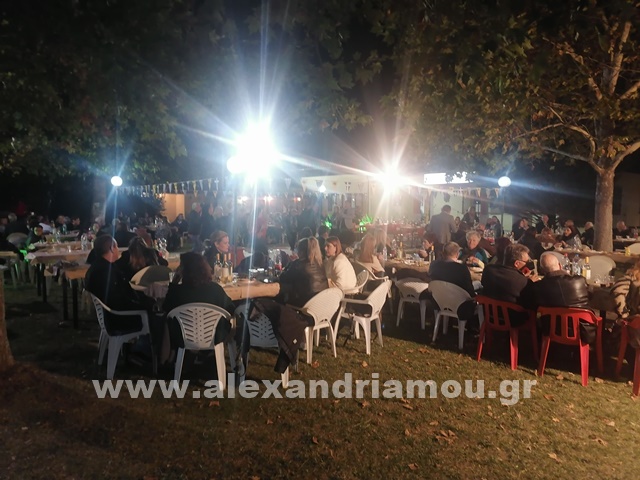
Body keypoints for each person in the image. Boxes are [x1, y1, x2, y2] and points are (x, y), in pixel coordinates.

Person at [163, 252, 235, 347]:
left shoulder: (176, 292)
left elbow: (166, 309)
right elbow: (231, 309)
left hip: (184, 338)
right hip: (214, 337)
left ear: (183, 271)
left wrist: (174, 282)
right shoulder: (215, 289)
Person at [522, 251, 595, 343]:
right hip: (582, 332)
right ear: (560, 265)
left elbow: (532, 304)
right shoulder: (579, 281)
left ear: (542, 270)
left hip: (551, 330)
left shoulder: (539, 286)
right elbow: (590, 295)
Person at [84, 235, 152, 331]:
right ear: (112, 249)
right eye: (116, 247)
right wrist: (144, 305)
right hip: (119, 319)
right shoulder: (105, 272)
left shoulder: (97, 267)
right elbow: (119, 301)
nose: (118, 250)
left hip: (109, 316)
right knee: (156, 314)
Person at [481, 244, 538, 324]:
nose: (527, 264)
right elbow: (530, 302)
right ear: (517, 263)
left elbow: (507, 279)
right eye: (526, 262)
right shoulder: (523, 282)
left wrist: (521, 276)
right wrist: (529, 282)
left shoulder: (488, 270)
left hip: (489, 316)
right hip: (511, 321)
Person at [278, 237, 328, 307]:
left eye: (297, 249)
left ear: (301, 251)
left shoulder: (298, 265)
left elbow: (283, 278)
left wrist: (289, 265)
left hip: (304, 302)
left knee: (280, 293)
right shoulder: (321, 264)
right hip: (320, 303)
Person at [612, 259, 640, 348]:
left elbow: (617, 292)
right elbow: (618, 293)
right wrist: (624, 314)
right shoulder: (631, 278)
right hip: (634, 324)